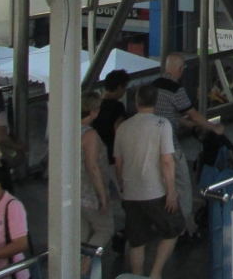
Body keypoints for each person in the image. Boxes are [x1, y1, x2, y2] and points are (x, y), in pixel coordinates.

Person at [115, 84, 183, 279]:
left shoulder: (123, 127)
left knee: (137, 240)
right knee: (174, 228)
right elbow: (167, 160)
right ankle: (155, 273)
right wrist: (171, 191)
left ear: (136, 102)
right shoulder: (162, 125)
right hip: (155, 192)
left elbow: (118, 163)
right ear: (156, 102)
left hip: (131, 192)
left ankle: (137, 275)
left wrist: (122, 185)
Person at [152, 52, 223, 237]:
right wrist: (212, 127)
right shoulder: (176, 90)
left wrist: (186, 124)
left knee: (160, 183)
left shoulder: (154, 85)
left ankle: (161, 221)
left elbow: (166, 113)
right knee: (183, 184)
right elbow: (193, 114)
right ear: (180, 69)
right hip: (170, 145)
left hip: (151, 145)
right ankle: (184, 226)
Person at [81, 91, 114, 278]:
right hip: (90, 191)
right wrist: (103, 196)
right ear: (93, 111)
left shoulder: (68, 130)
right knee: (104, 229)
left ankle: (76, 269)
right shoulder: (90, 134)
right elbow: (92, 166)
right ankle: (84, 267)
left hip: (74, 192)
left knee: (82, 233)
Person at [93, 69, 130, 162]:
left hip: (96, 151)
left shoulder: (96, 105)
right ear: (119, 87)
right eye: (124, 87)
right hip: (112, 153)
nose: (124, 91)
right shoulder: (117, 106)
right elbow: (119, 131)